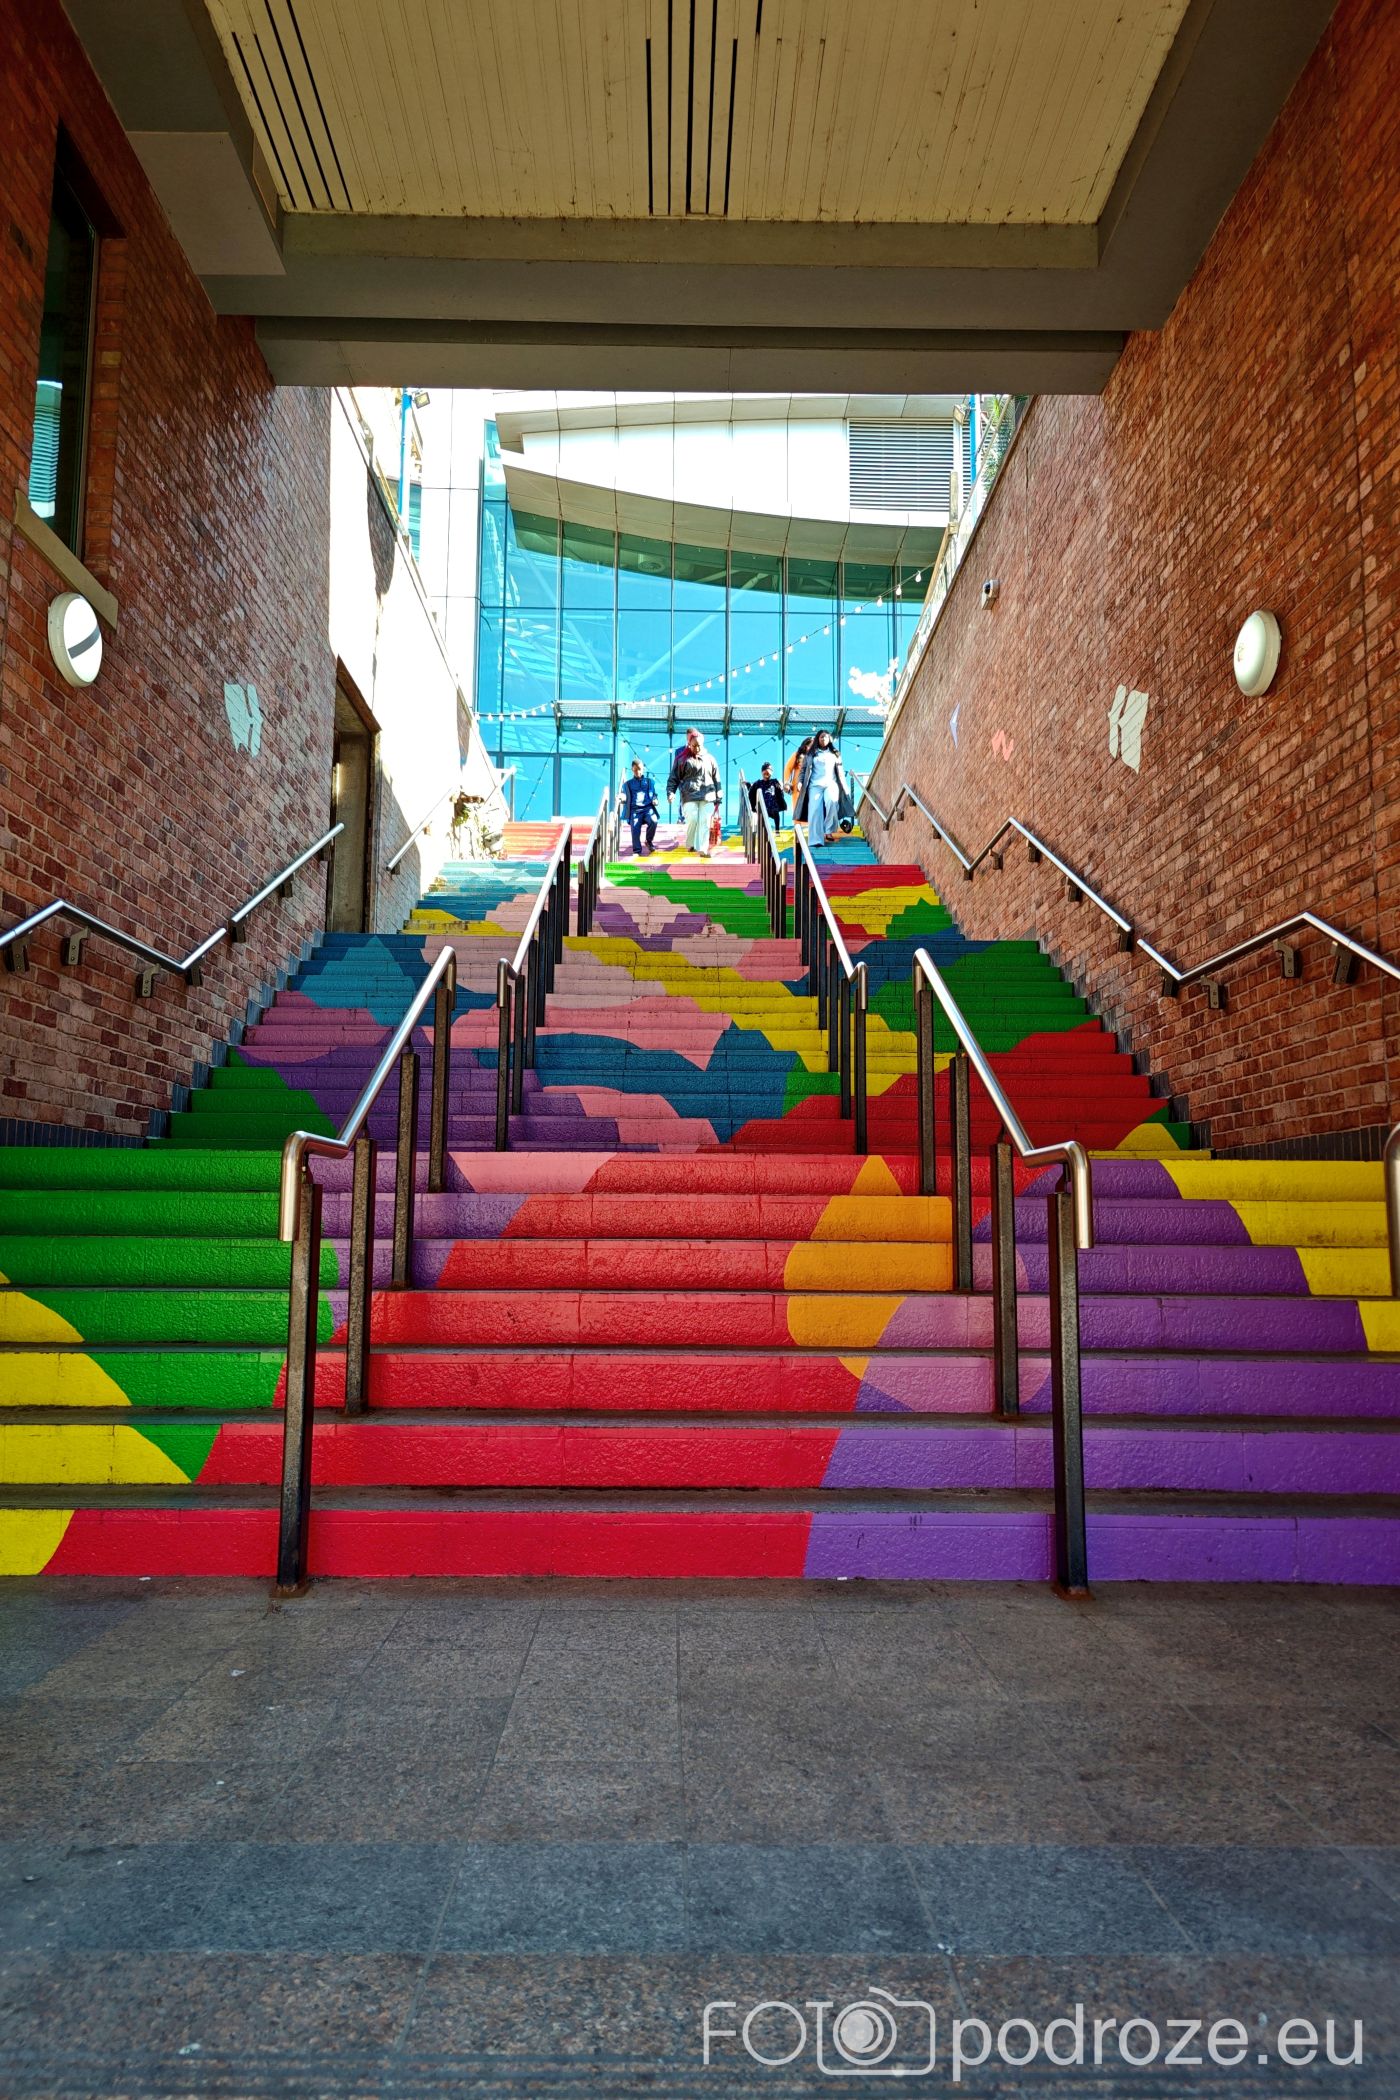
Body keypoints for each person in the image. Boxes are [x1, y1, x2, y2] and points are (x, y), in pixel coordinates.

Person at [666, 727, 722, 857]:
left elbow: (716, 778)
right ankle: (690, 843)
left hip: (708, 795)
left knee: (704, 821)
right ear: (689, 744)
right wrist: (671, 792)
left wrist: (719, 794)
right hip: (689, 794)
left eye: (699, 745)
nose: (696, 748)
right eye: (694, 745)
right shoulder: (682, 759)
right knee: (692, 818)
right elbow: (674, 777)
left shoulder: (710, 759)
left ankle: (703, 848)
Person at [795, 730, 852, 851]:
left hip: (831, 784)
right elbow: (803, 771)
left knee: (832, 802)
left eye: (826, 737)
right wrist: (800, 782)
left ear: (829, 739)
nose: (824, 738)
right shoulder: (811, 754)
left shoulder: (835, 754)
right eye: (821, 737)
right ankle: (816, 840)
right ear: (818, 739)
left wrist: (845, 787)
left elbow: (841, 772)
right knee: (815, 810)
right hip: (815, 786)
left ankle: (828, 830)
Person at [617, 756, 659, 857]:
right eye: (635, 770)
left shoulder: (649, 782)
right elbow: (624, 795)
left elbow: (654, 794)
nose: (637, 772)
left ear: (643, 768)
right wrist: (621, 798)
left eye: (639, 769)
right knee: (635, 828)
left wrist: (655, 799)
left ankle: (649, 841)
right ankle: (637, 851)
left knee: (654, 820)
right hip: (635, 810)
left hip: (648, 808)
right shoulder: (627, 784)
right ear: (632, 769)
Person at [747, 762, 787, 827]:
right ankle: (762, 829)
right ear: (762, 773)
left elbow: (781, 788)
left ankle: (777, 830)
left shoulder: (774, 782)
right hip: (763, 808)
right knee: (762, 820)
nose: (766, 775)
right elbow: (752, 789)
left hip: (773, 807)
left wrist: (782, 787)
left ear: (771, 773)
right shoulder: (758, 783)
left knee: (776, 813)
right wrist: (748, 784)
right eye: (764, 773)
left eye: (768, 773)